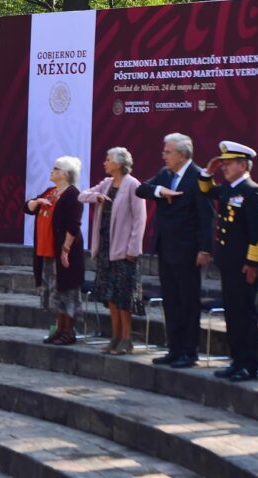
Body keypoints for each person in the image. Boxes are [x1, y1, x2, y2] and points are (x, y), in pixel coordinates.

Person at [135, 133, 214, 368]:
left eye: (168, 152)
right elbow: (141, 190)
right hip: (166, 248)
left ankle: (189, 352)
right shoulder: (165, 175)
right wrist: (161, 192)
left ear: (182, 154)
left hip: (188, 251)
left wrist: (205, 250)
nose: (164, 156)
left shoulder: (198, 177)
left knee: (188, 302)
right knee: (171, 301)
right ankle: (174, 348)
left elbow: (208, 217)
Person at [199, 141, 258, 382]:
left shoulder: (252, 191)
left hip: (245, 266)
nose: (224, 167)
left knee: (244, 315)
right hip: (229, 265)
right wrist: (208, 171)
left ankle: (249, 365)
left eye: (228, 163)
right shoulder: (229, 188)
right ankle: (237, 360)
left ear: (243, 165)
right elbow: (206, 190)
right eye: (224, 163)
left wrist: (253, 264)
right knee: (233, 314)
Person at [80, 147, 146, 355]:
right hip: (106, 248)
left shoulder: (133, 185)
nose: (105, 163)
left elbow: (139, 219)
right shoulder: (106, 184)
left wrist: (133, 248)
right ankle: (115, 337)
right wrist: (96, 198)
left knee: (123, 297)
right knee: (110, 296)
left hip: (124, 250)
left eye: (108, 160)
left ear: (118, 163)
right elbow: (82, 195)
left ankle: (126, 339)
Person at [24, 156, 85, 345]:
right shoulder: (51, 191)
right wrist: (35, 203)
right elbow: (29, 206)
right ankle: (58, 329)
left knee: (67, 290)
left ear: (66, 174)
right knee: (54, 290)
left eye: (56, 169)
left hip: (64, 252)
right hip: (47, 251)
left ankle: (69, 331)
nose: (52, 171)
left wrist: (65, 249)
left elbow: (73, 225)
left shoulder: (73, 194)